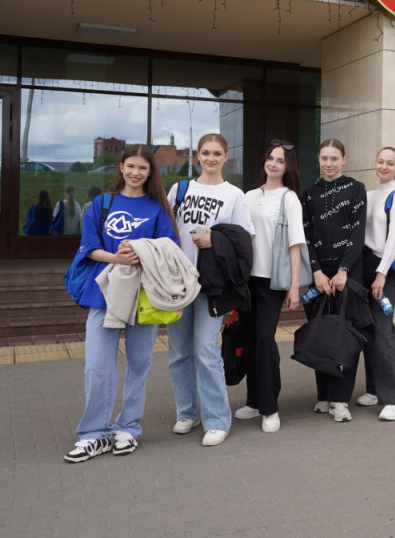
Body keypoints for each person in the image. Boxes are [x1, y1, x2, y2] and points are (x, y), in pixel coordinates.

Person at [63, 144, 180, 463]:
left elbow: (170, 249)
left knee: (139, 365)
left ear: (150, 172)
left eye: (143, 168)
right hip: (104, 293)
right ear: (120, 167)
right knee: (97, 366)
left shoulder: (158, 208)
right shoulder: (101, 203)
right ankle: (93, 433)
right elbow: (88, 247)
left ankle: (127, 426)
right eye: (131, 166)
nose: (136, 172)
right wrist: (116, 256)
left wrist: (142, 252)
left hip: (144, 296)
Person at [166, 134, 255, 446]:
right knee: (178, 352)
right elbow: (165, 230)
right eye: (205, 153)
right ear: (197, 156)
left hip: (211, 285)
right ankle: (187, 412)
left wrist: (214, 240)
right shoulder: (180, 189)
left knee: (206, 350)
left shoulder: (234, 195)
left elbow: (245, 241)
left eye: (217, 153)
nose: (211, 158)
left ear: (226, 156)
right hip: (177, 283)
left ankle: (217, 419)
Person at [238, 140, 306, 433]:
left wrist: (294, 286)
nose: (274, 164)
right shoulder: (248, 196)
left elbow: (296, 244)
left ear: (288, 167)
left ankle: (270, 408)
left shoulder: (289, 198)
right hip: (246, 280)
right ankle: (254, 401)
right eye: (270, 158)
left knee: (265, 339)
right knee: (250, 340)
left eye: (280, 160)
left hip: (272, 282)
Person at [304, 139, 368, 423]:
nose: (329, 164)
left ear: (344, 159)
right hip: (317, 275)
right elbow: (305, 237)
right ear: (318, 159)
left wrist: (343, 270)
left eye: (334, 158)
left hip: (348, 273)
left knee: (344, 337)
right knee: (321, 335)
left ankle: (340, 400)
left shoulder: (356, 190)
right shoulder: (308, 194)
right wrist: (317, 272)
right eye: (324, 158)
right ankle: (325, 395)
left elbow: (357, 235)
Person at [356, 147, 395, 421]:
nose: (384, 166)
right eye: (381, 161)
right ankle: (375, 389)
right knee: (368, 329)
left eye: (390, 163)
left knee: (384, 329)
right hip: (363, 266)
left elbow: (394, 240)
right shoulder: (368, 195)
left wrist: (381, 273)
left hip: (382, 269)